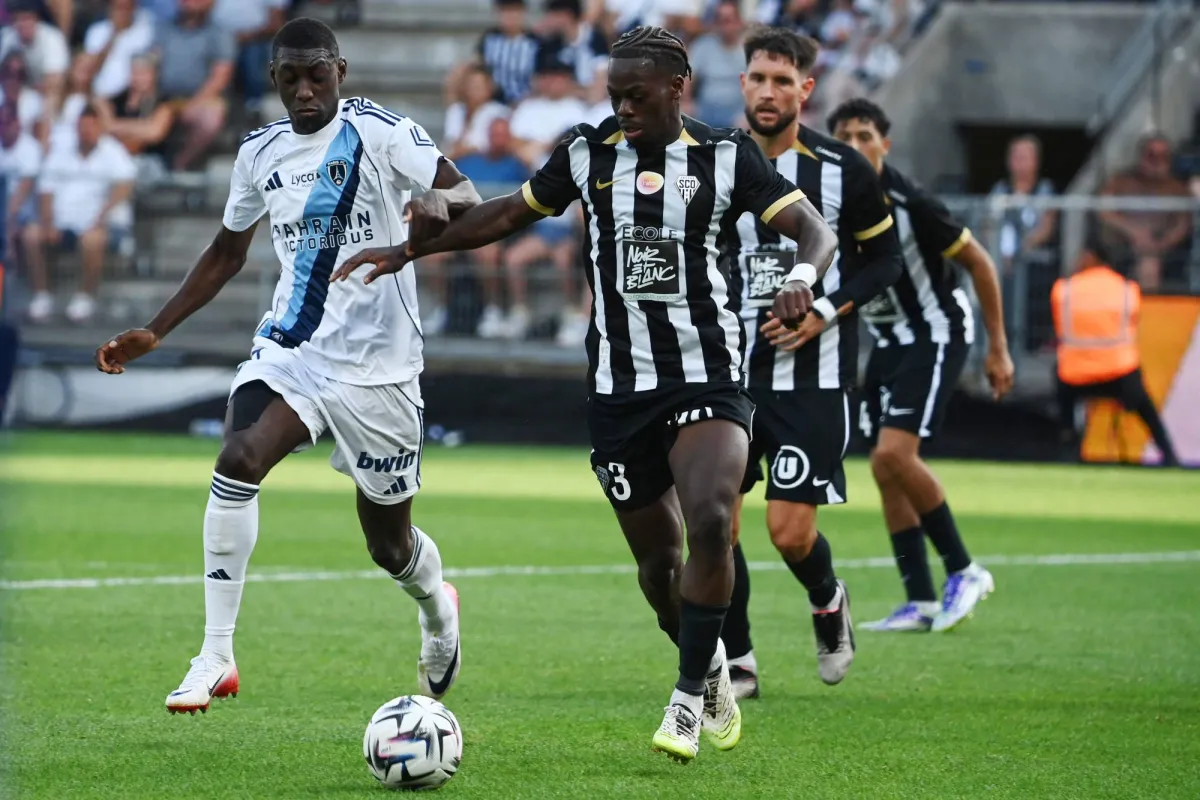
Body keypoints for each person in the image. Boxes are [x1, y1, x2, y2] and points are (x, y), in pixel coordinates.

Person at [333, 25, 839, 763]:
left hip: (707, 375)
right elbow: (507, 215)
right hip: (619, 391)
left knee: (711, 518)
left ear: (677, 88)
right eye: (614, 95)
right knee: (659, 566)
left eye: (637, 96)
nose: (623, 108)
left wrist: (801, 278)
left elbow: (814, 231)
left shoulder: (727, 156)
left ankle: (685, 699)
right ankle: (708, 670)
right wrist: (412, 249)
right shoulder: (585, 151)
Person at [92, 18, 481, 715]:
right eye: (290, 78)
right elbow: (227, 252)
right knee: (237, 458)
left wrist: (434, 201)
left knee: (389, 545)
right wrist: (156, 328)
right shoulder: (259, 151)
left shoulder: (380, 132)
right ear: (273, 79)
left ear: (340, 72)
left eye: (317, 76)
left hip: (380, 371)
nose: (305, 91)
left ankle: (436, 608)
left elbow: (467, 196)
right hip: (292, 349)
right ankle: (216, 654)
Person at [717, 29, 903, 700]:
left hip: (814, 380)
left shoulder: (842, 168)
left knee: (790, 533)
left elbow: (885, 261)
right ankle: (739, 660)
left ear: (806, 89)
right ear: (743, 83)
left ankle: (827, 598)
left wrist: (825, 311)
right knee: (716, 523)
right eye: (758, 78)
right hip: (731, 378)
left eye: (782, 80)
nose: (768, 91)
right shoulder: (714, 160)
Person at [827, 98, 1014, 633]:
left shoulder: (913, 204)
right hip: (886, 342)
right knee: (884, 468)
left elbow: (979, 264)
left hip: (935, 332)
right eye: (845, 137)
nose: (855, 146)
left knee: (895, 453)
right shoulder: (828, 202)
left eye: (865, 136)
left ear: (885, 145)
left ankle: (965, 569)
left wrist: (998, 348)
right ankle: (920, 602)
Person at [1052, 225, 1178, 467]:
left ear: (1090, 256)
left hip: (1075, 375)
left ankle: (1067, 444)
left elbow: (1060, 328)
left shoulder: (1063, 290)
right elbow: (1132, 324)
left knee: (1061, 386)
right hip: (1119, 373)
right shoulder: (1128, 290)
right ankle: (1168, 454)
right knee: (1145, 406)